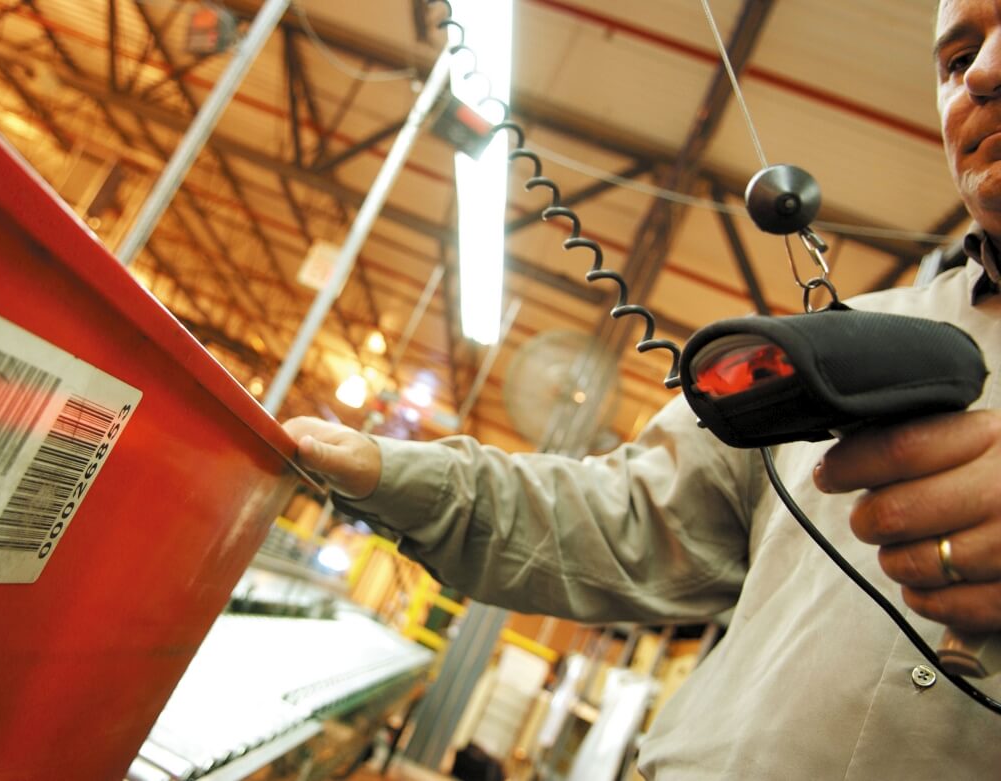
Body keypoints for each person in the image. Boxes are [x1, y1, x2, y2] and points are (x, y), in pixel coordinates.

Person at [284, 0, 1001, 776]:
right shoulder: (853, 349)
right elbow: (626, 518)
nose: (984, 74)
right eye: (958, 59)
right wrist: (396, 474)